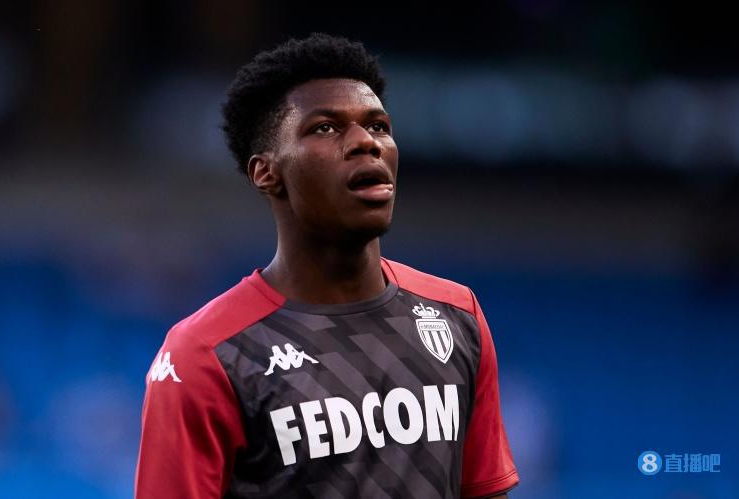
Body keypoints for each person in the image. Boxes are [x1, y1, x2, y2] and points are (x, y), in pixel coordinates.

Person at [134, 33, 519, 499]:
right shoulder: (206, 353)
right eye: (325, 128)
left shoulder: (456, 315)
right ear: (266, 172)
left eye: (378, 126)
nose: (366, 142)